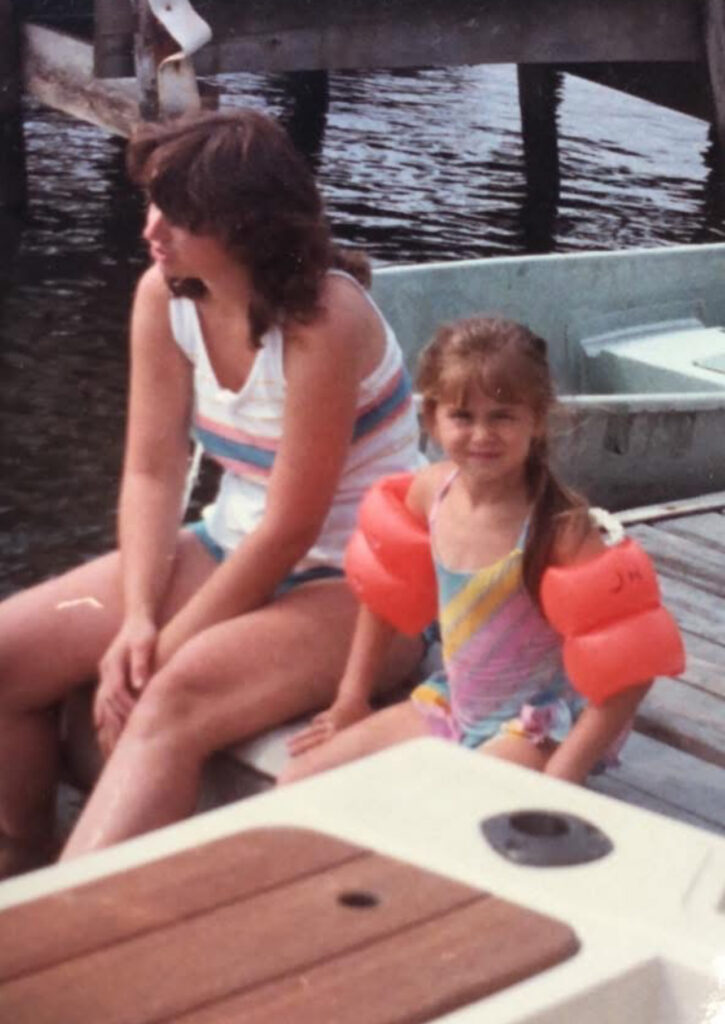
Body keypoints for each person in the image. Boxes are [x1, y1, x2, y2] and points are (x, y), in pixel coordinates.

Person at [0, 109, 422, 875]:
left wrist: (162, 648)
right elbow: (151, 470)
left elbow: (291, 528)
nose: (151, 230)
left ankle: (63, 918)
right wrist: (136, 617)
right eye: (152, 205)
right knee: (7, 654)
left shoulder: (324, 322)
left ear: (246, 227)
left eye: (179, 216)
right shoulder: (164, 297)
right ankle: (23, 866)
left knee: (170, 692)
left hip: (364, 586)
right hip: (231, 545)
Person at [283, 315, 651, 784]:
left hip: (533, 729)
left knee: (442, 814)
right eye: (462, 416)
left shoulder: (560, 529)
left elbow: (631, 673)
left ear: (537, 421)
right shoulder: (430, 492)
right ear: (432, 419)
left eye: (502, 416)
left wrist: (561, 776)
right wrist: (352, 697)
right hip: (454, 704)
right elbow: (385, 591)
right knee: (299, 782)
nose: (481, 435)